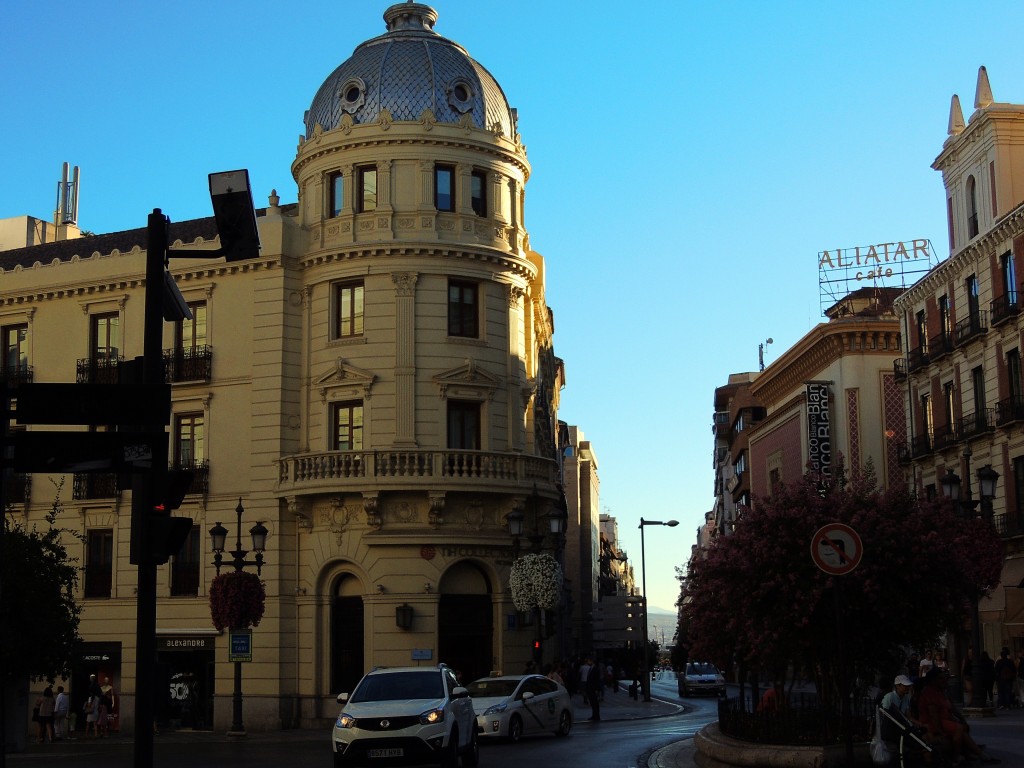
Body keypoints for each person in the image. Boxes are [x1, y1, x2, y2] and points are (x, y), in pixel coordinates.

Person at [916, 668, 999, 764]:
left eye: (944, 678)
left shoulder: (941, 691)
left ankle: (977, 754)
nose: (944, 680)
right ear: (933, 681)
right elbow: (934, 716)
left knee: (962, 728)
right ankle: (957, 756)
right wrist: (941, 732)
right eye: (940, 678)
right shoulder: (929, 692)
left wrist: (961, 718)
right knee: (959, 728)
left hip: (943, 720)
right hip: (932, 723)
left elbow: (952, 707)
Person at [585, 656, 602, 721]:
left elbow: (596, 680)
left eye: (588, 661)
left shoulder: (595, 669)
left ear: (591, 661)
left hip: (593, 688)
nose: (587, 662)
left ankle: (596, 716)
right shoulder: (591, 668)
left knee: (595, 702)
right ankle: (594, 715)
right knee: (592, 702)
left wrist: (596, 689)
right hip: (590, 688)